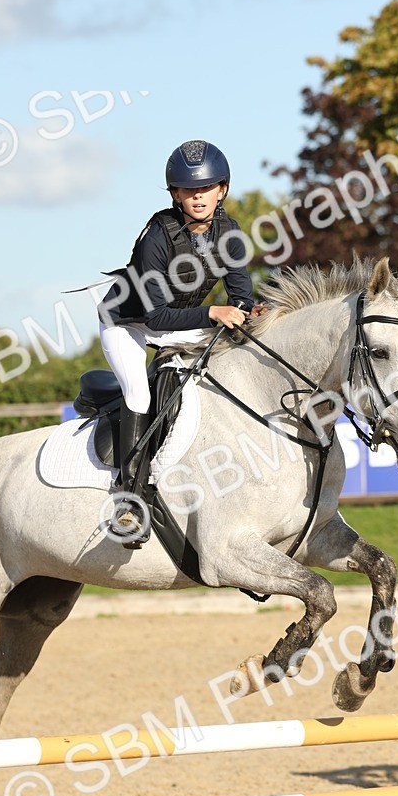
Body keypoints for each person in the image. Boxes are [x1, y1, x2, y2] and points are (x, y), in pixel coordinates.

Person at [98, 139, 256, 544]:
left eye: (205, 188)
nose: (197, 196)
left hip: (180, 322)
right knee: (138, 395)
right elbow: (156, 317)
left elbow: (240, 296)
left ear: (222, 189)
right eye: (187, 190)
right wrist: (212, 313)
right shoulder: (157, 235)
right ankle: (128, 501)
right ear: (175, 194)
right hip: (129, 323)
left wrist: (248, 313)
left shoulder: (230, 233)